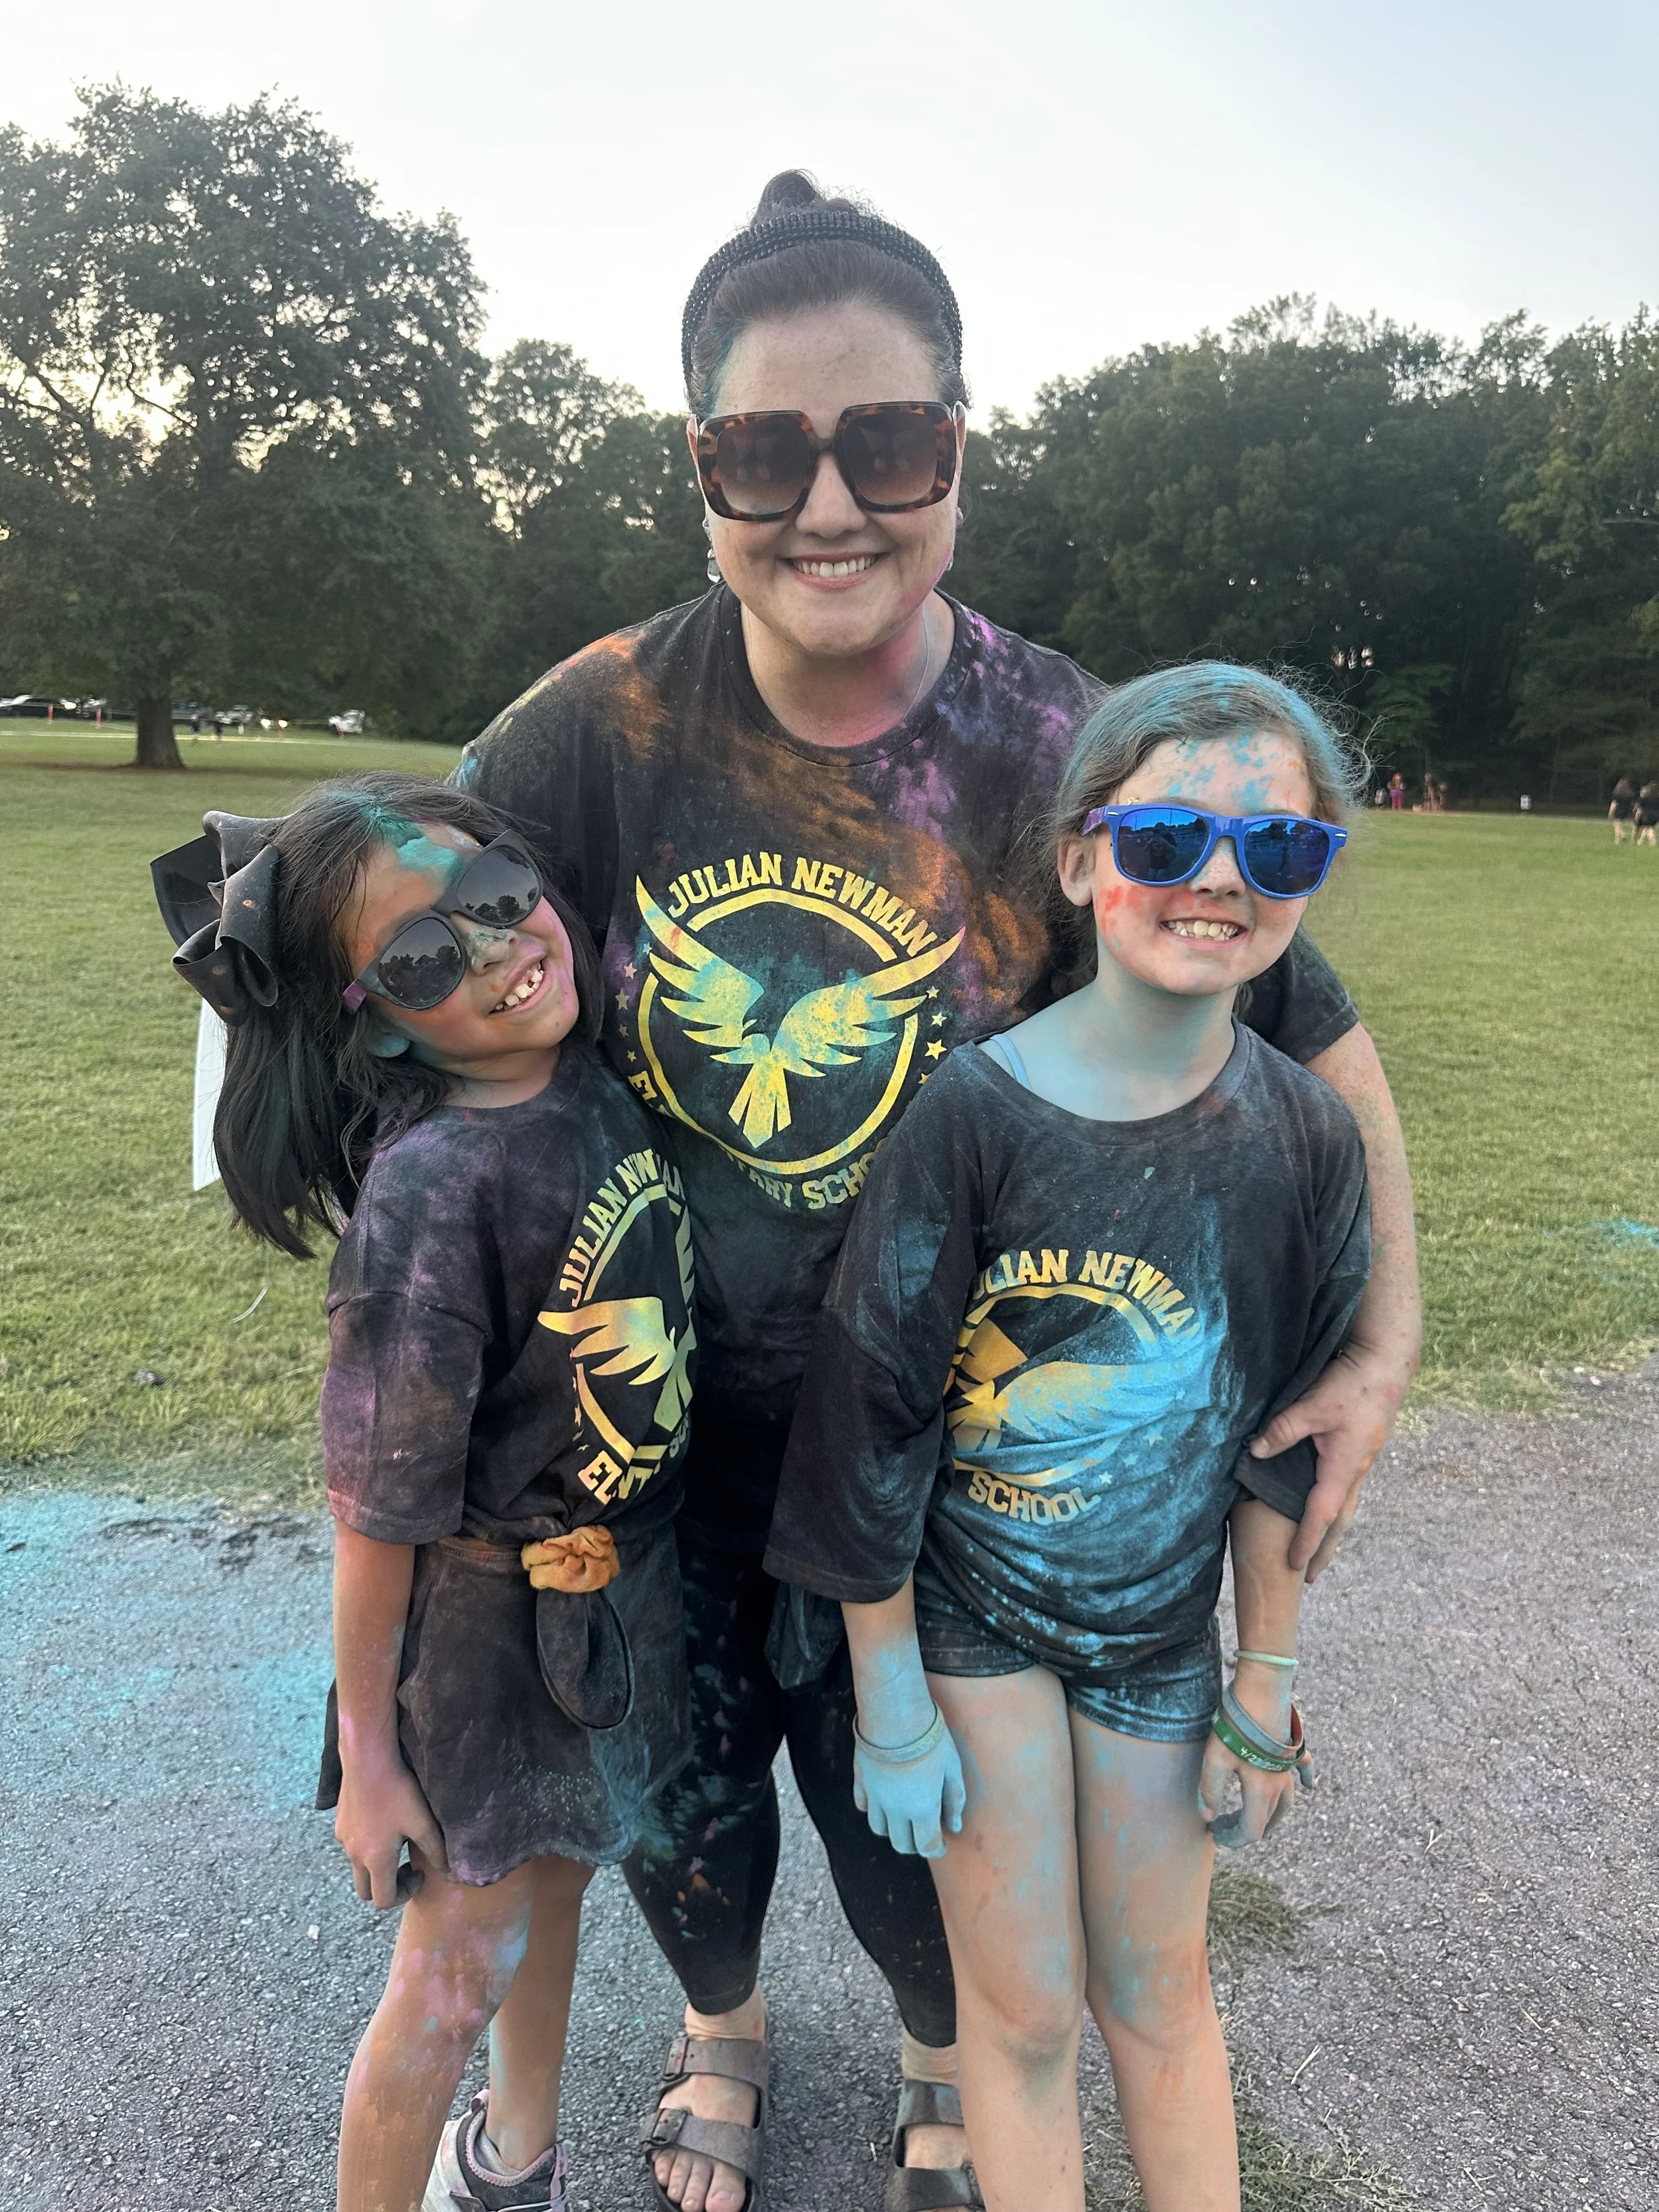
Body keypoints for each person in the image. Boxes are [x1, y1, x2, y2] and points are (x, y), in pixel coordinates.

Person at [457, 172, 1419, 2212]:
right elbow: (391, 949)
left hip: (935, 1464)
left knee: (919, 1836)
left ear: (957, 454)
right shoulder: (596, 721)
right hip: (647, 1430)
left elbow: (1316, 1044)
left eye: (884, 442)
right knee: (677, 1810)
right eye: (762, 450)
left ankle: (931, 2046)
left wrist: (1384, 1339)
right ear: (697, 472)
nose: (827, 504)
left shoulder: (1057, 739)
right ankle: (717, 2027)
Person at [766, 664, 1370, 2212]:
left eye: (1279, 849)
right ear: (1085, 857)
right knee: (1022, 2014)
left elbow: (1286, 1431)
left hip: (1158, 1639)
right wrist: (888, 1694)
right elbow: (873, 1418)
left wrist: (1266, 1673)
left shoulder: (1304, 1136)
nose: (1222, 879)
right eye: (1170, 838)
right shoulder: (974, 1116)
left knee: (1160, 2004)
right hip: (972, 1629)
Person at [151, 774, 699, 2212]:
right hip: (477, 1643)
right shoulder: (430, 1194)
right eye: (420, 958)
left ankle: (514, 2155)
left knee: (559, 1877)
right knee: (450, 1973)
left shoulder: (584, 1076)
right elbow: (376, 1510)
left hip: (606, 1606)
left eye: (498, 895)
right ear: (379, 1021)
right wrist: (373, 1757)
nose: (497, 947)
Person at [1609, 778, 1637, 843]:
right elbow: (1633, 803)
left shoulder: (1617, 794)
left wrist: (1611, 811)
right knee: (1616, 824)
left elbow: (1614, 803)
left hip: (1618, 810)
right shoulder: (1630, 795)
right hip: (1626, 811)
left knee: (1617, 825)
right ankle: (1622, 835)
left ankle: (1617, 840)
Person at [1632, 781, 1658, 846]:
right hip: (1657, 816)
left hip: (1648, 815)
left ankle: (1653, 842)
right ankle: (1640, 842)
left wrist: (1635, 813)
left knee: (1648, 829)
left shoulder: (1645, 798)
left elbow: (1639, 807)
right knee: (1649, 828)